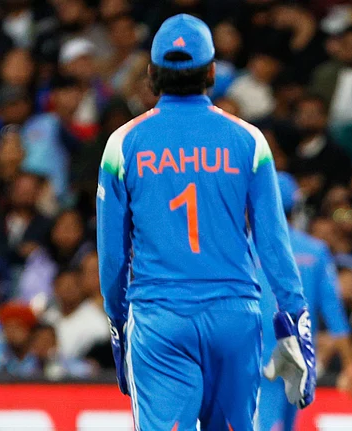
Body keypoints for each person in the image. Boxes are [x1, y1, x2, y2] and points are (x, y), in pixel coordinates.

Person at [96, 14, 316, 430]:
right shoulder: (250, 140)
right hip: (235, 315)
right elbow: (274, 244)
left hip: (160, 316)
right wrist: (294, 319)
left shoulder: (122, 144)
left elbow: (112, 256)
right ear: (212, 72)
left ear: (150, 73)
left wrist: (118, 320)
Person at [257, 172, 352, 431]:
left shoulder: (248, 249)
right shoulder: (316, 251)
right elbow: (334, 312)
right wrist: (350, 364)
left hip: (260, 358)